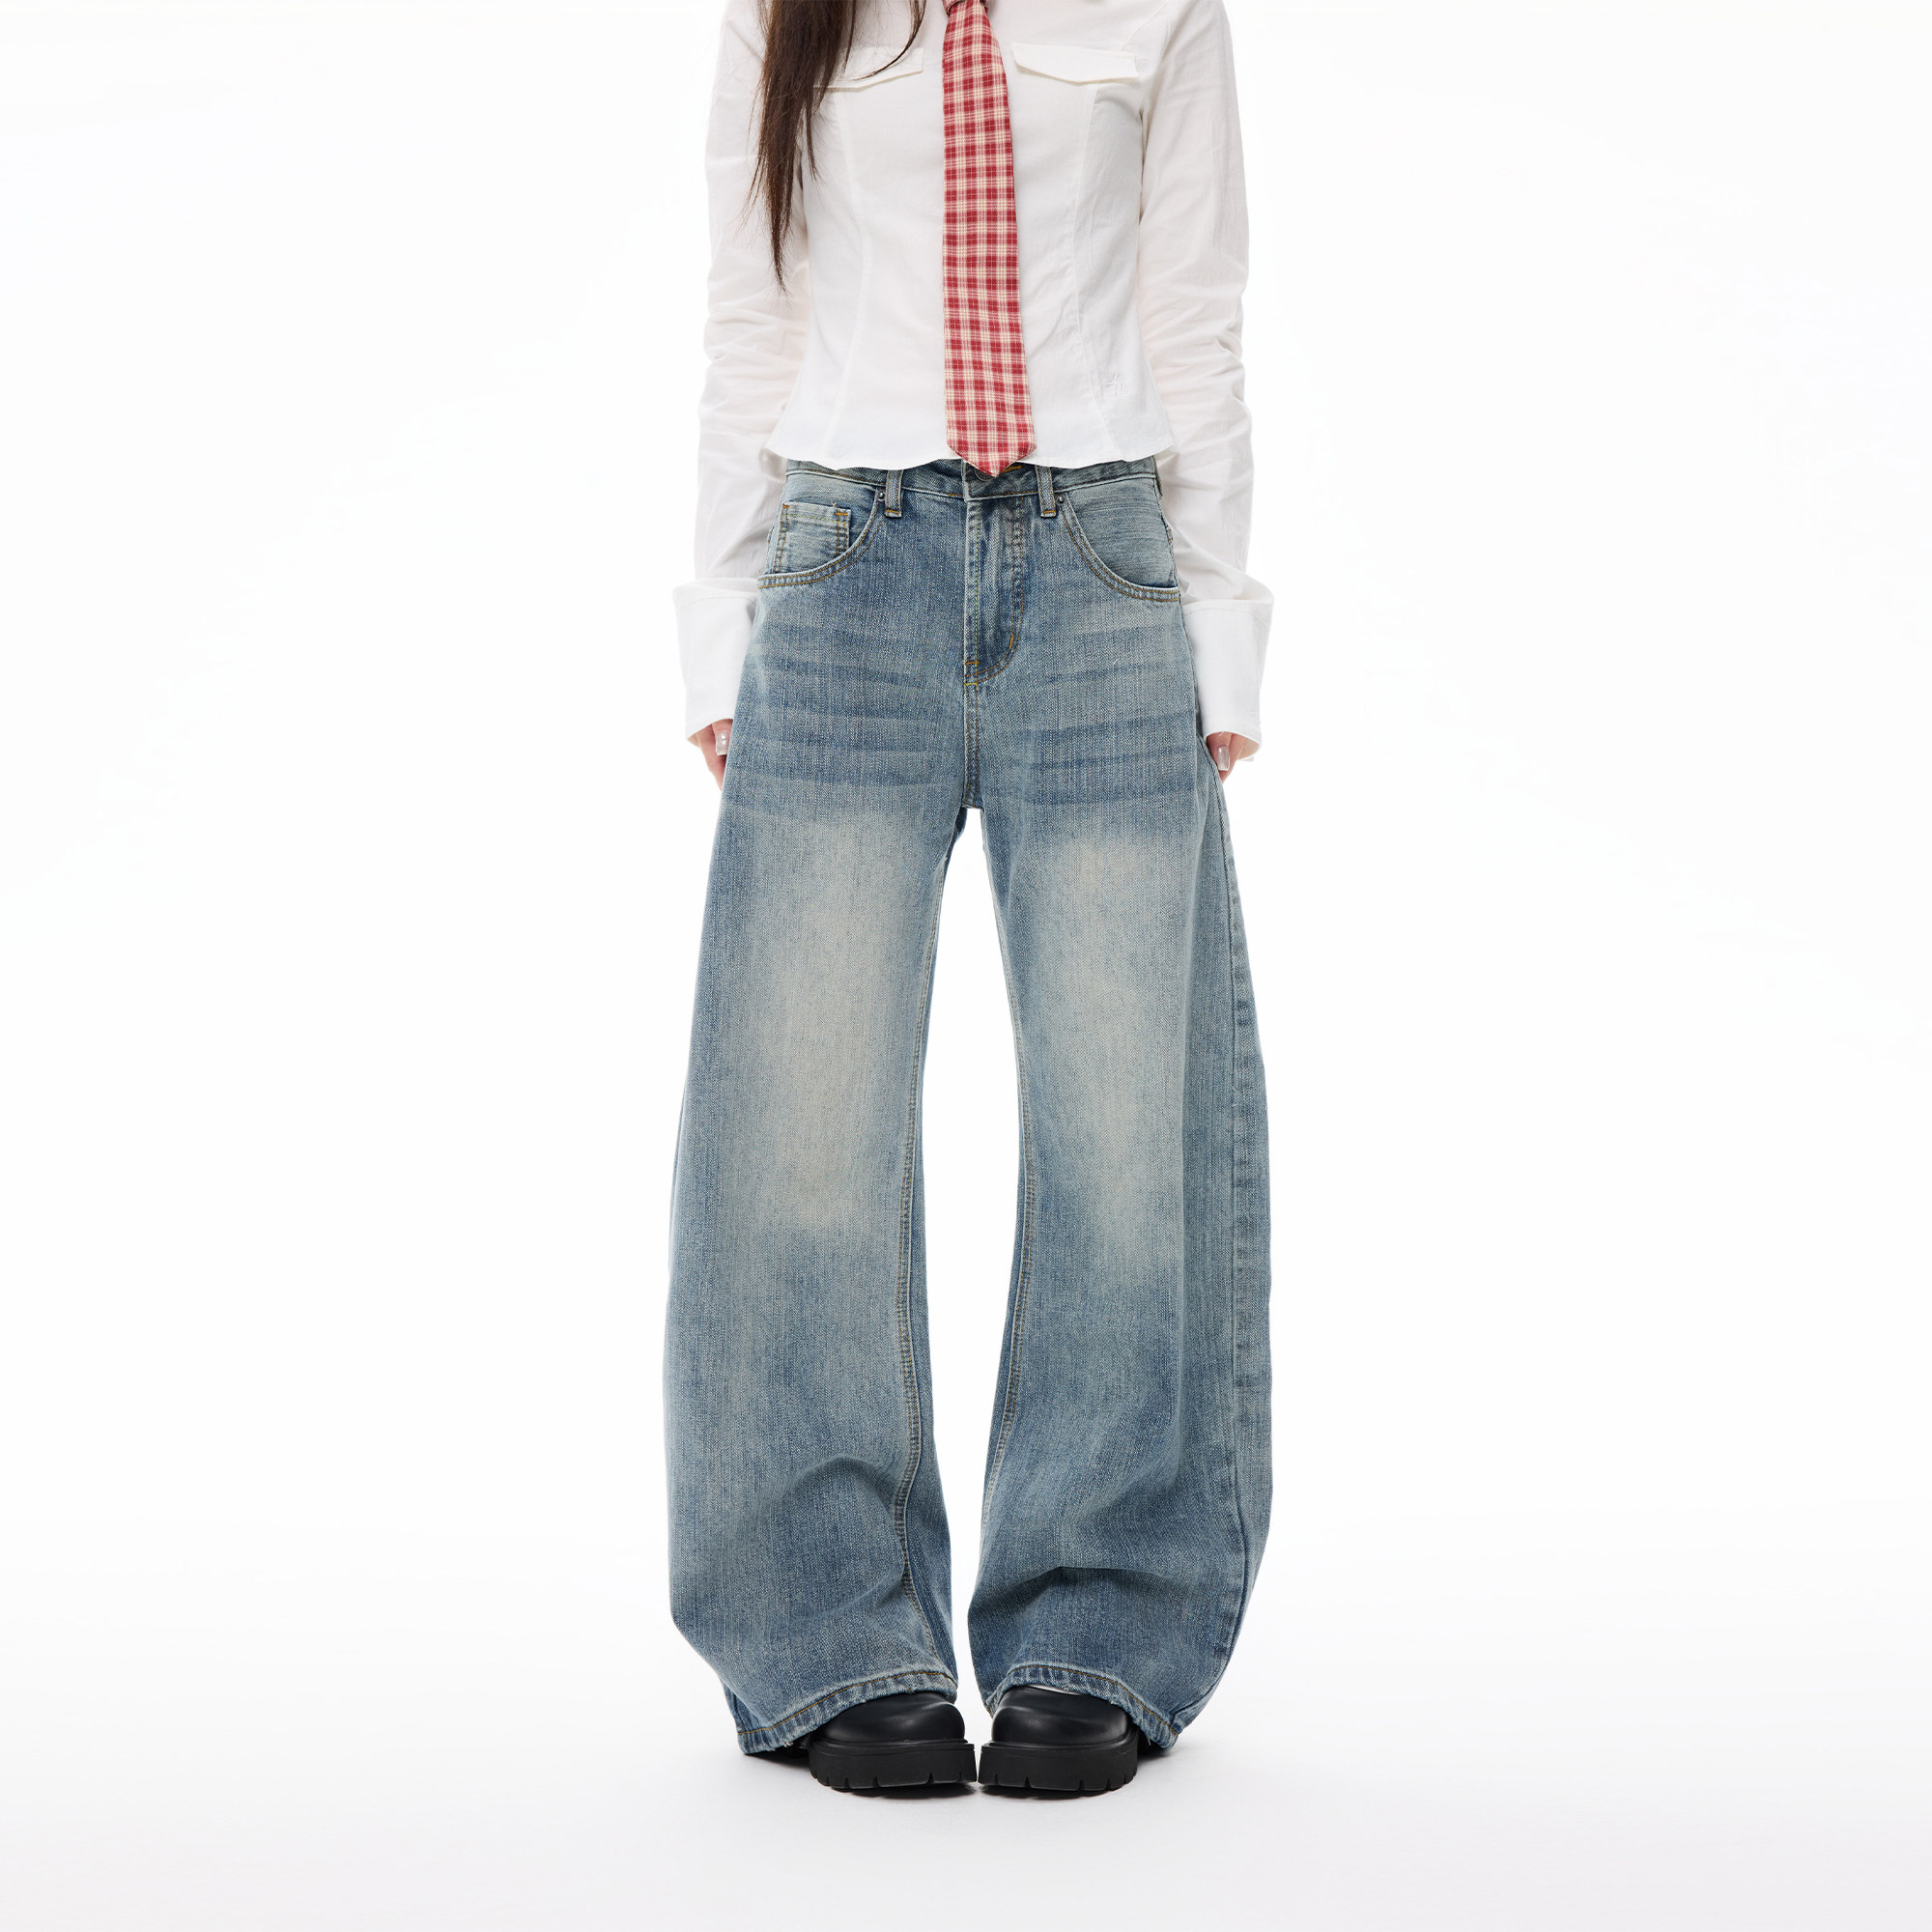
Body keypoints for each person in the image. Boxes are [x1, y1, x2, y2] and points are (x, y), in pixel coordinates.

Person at [666, 0, 1272, 1797]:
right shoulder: (785, 11)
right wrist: (724, 618)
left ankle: (1104, 1624)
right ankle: (824, 1634)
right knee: (799, 1125)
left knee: (1125, 1126)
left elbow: (1195, 306)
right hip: (841, 565)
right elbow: (753, 309)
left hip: (1102, 565)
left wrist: (1217, 627)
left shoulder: (1159, 8)